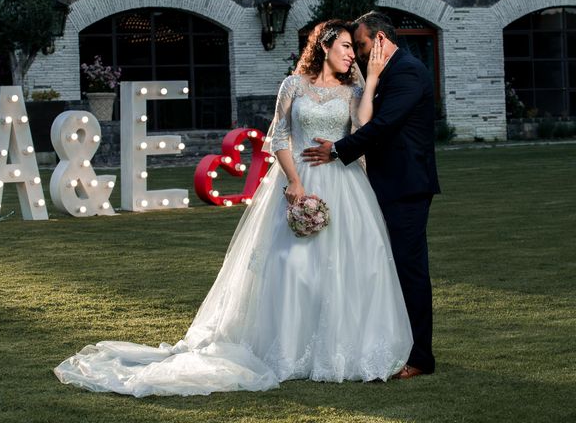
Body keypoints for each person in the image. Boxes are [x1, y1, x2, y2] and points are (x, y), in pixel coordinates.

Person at [54, 20, 413, 397]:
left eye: (352, 49)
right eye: (343, 46)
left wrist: (370, 80)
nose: (349, 54)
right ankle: (288, 348)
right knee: (290, 265)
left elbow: (363, 128)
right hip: (297, 178)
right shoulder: (293, 85)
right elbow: (279, 136)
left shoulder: (353, 90)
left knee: (343, 264)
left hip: (342, 182)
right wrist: (294, 181)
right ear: (324, 46)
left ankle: (337, 349)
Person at [301, 11, 441, 379]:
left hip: (406, 187)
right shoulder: (386, 73)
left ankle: (420, 357)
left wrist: (336, 150)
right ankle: (394, 344)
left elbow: (382, 125)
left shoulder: (408, 71)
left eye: (361, 45)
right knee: (386, 268)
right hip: (384, 184)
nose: (359, 54)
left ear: (379, 39)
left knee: (410, 270)